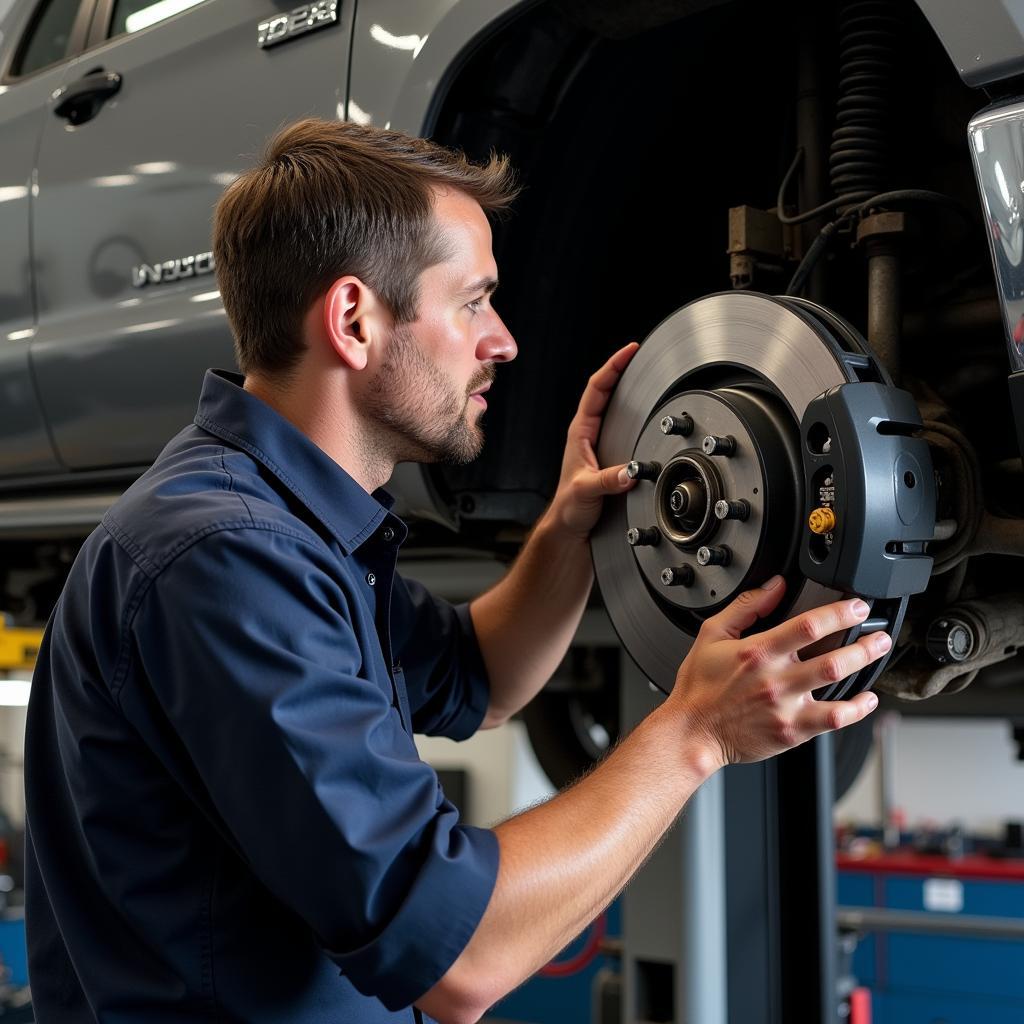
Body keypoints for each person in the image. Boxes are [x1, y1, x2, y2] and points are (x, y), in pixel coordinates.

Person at [23, 119, 888, 1024]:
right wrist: (695, 735)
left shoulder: (288, 527)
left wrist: (566, 532)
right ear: (355, 321)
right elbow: (460, 956)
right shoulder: (228, 555)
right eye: (474, 302)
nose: (505, 340)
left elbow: (484, 678)